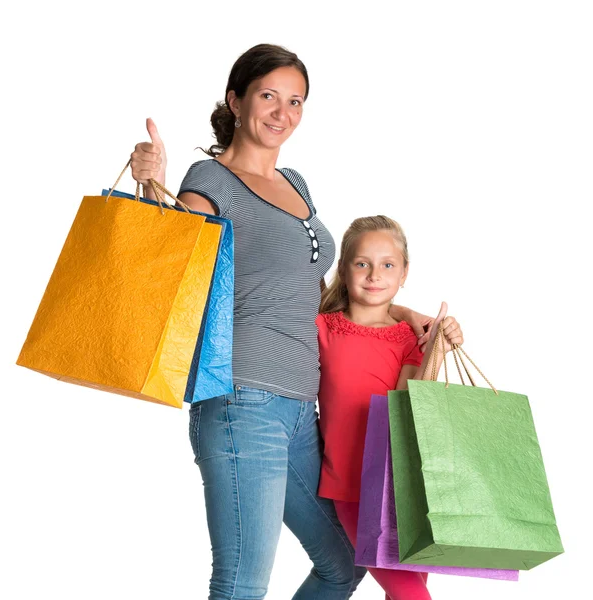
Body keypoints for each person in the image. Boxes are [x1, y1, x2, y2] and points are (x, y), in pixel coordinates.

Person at [130, 44, 433, 600]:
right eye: (268, 95)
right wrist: (153, 184)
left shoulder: (297, 185)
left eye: (295, 101)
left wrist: (403, 313)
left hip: (301, 413)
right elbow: (173, 253)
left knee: (344, 564)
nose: (281, 112)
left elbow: (312, 293)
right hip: (244, 401)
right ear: (236, 100)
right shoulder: (209, 180)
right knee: (243, 584)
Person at [317, 216, 464, 600]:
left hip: (404, 490)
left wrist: (437, 350)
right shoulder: (322, 328)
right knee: (412, 595)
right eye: (362, 263)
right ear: (344, 269)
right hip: (350, 489)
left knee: (404, 594)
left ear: (404, 273)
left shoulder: (407, 339)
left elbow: (408, 405)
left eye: (387, 265)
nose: (374, 275)